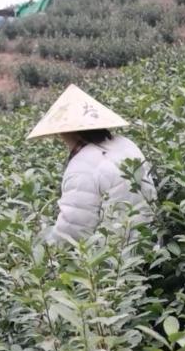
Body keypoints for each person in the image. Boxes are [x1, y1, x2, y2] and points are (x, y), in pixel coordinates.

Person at [27, 84, 156, 242]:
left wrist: (45, 247)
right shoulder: (125, 144)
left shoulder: (83, 166)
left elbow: (73, 230)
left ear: (65, 131)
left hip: (117, 251)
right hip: (150, 242)